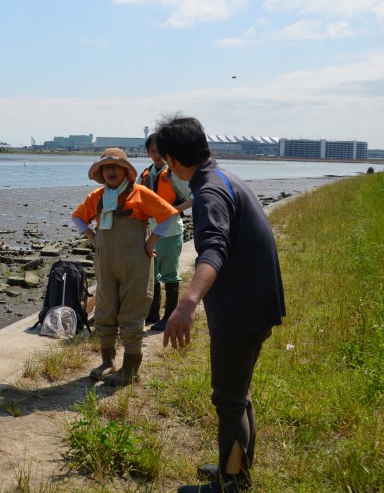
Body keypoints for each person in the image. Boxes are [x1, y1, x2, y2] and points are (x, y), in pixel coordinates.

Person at [155, 116, 285, 492]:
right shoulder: (224, 177)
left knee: (228, 399)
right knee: (238, 395)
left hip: (241, 310)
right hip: (257, 303)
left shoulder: (209, 192)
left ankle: (230, 485)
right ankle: (237, 472)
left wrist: (186, 304)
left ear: (173, 161)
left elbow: (214, 251)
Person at [72, 148, 179, 386]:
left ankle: (130, 369)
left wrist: (152, 240)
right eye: (105, 168)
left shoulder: (139, 192)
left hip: (136, 263)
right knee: (105, 311)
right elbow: (77, 217)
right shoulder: (98, 197)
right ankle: (107, 362)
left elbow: (169, 216)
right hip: (106, 263)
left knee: (132, 313)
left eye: (115, 167)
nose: (110, 170)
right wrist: (92, 236)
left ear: (125, 171)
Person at [138, 132, 193, 331]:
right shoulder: (145, 175)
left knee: (169, 274)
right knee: (152, 274)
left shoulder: (173, 174)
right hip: (149, 233)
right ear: (148, 152)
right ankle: (152, 314)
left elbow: (194, 196)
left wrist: (173, 210)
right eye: (153, 151)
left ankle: (169, 316)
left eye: (160, 150)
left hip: (170, 232)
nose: (157, 154)